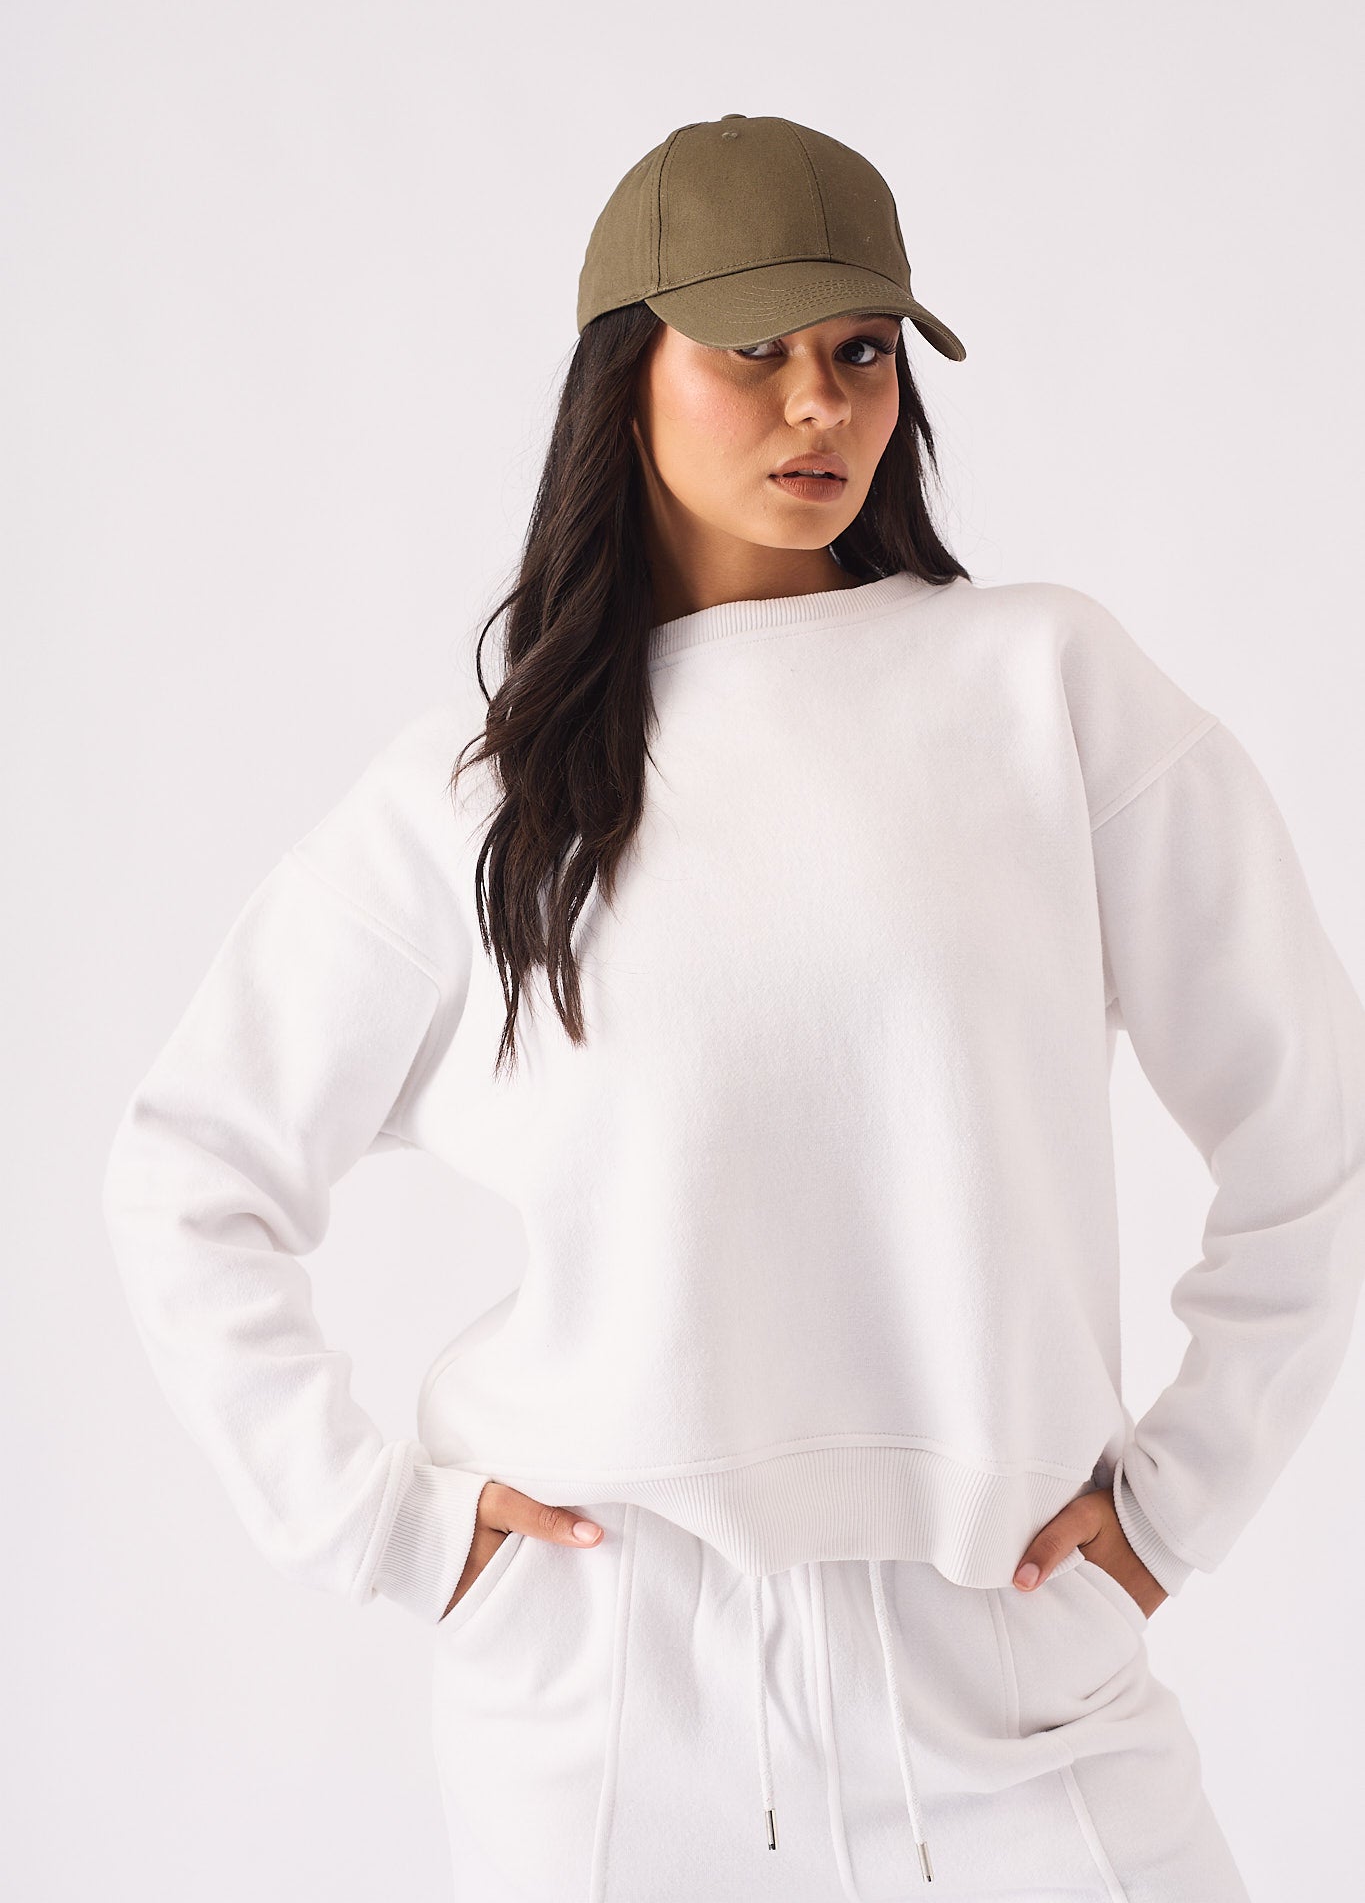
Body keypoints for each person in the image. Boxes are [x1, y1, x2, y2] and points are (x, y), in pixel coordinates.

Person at [101, 113, 1365, 1903]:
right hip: (613, 1709)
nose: (817, 406)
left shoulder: (1043, 689)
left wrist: (1178, 1504)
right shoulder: (480, 802)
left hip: (1016, 1667)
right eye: (752, 350)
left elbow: (1311, 1124)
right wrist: (386, 1527)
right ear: (625, 379)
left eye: (861, 352)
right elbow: (189, 1172)